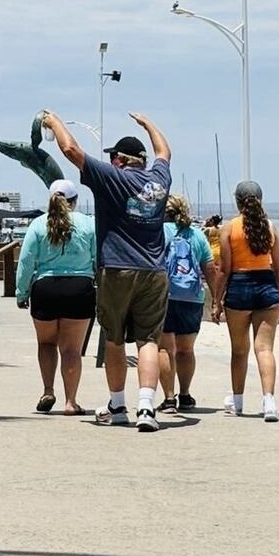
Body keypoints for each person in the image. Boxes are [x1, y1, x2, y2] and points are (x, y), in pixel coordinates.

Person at [42, 109, 172, 433]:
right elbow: (164, 153)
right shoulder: (159, 180)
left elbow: (71, 151)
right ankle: (146, 407)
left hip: (117, 268)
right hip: (154, 270)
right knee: (148, 341)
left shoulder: (112, 177)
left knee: (114, 339)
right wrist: (148, 124)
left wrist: (54, 122)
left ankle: (118, 405)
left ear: (120, 160)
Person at [15, 179, 96, 416]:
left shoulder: (39, 224)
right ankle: (71, 402)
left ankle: (48, 389)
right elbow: (97, 257)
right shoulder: (88, 223)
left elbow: (27, 261)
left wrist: (22, 292)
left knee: (46, 343)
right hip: (79, 288)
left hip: (46, 288)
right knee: (71, 349)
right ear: (75, 201)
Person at [212, 181, 279, 422]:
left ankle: (239, 401)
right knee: (264, 349)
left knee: (239, 350)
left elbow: (224, 269)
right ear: (261, 199)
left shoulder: (229, 228)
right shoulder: (271, 227)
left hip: (239, 287)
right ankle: (269, 401)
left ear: (237, 201)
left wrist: (216, 300)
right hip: (267, 286)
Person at [156, 195, 218, 414]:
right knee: (186, 349)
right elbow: (210, 269)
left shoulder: (158, 232)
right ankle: (185, 394)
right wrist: (216, 300)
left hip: (163, 296)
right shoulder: (197, 235)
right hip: (192, 297)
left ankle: (169, 399)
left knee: (165, 348)